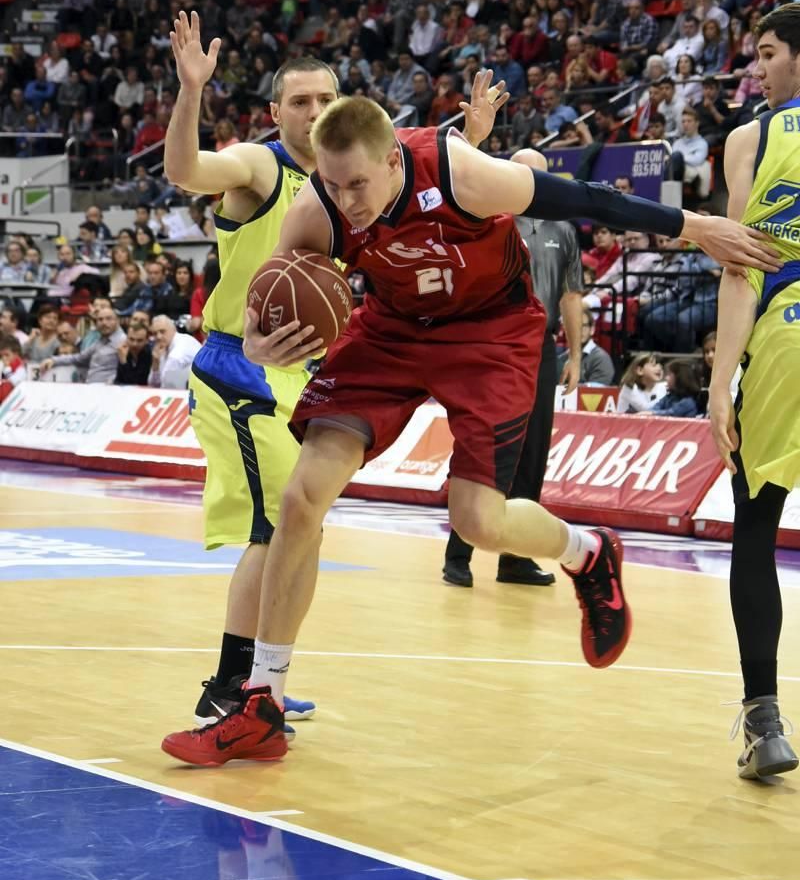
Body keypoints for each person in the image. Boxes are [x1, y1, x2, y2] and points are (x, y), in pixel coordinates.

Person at [160, 92, 781, 766]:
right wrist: (260, 346)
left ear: (393, 160)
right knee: (300, 497)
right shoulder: (318, 211)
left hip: (492, 333)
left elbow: (585, 201)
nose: (347, 199)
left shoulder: (460, 172)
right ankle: (264, 701)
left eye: (359, 183)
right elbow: (261, 319)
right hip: (391, 331)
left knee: (477, 522)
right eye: (333, 184)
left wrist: (695, 225)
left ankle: (586, 552)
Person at [161, 11, 507, 736]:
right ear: (276, 113)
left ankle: (265, 679)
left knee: (302, 524)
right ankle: (229, 687)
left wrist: (469, 145)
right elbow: (186, 172)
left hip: (307, 368)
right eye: (299, 102)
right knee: (276, 525)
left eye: (325, 101)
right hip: (241, 365)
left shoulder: (349, 186)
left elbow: (422, 197)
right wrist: (191, 90)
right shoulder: (261, 168)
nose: (313, 111)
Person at [709, 2, 800, 780]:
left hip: (786, 334)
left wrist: (718, 383)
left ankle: (764, 720)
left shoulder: (751, 138)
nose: (758, 67)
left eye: (767, 53)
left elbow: (740, 267)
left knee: (756, 524)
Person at [442, 150, 584, 588]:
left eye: (540, 177)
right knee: (488, 444)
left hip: (541, 346)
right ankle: (458, 552)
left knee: (534, 449)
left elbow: (571, 295)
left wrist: (576, 355)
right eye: (524, 175)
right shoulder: (491, 221)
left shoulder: (564, 228)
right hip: (496, 344)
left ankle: (516, 559)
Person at [39, 304, 125, 383]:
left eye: (108, 319)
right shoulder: (99, 342)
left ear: (117, 321)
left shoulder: (123, 341)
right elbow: (78, 358)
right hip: (92, 388)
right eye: (100, 320)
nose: (104, 323)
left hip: (110, 391)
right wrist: (54, 360)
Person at [147, 314, 199, 389]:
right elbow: (152, 385)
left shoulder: (181, 347)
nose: (158, 336)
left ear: (173, 329)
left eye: (162, 331)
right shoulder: (162, 348)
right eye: (155, 333)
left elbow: (165, 386)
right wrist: (155, 363)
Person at [115, 321, 152, 386]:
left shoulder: (149, 355)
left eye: (139, 340)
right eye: (131, 339)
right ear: (126, 338)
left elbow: (135, 383)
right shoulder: (124, 351)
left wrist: (124, 362)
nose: (134, 344)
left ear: (146, 340)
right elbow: (118, 380)